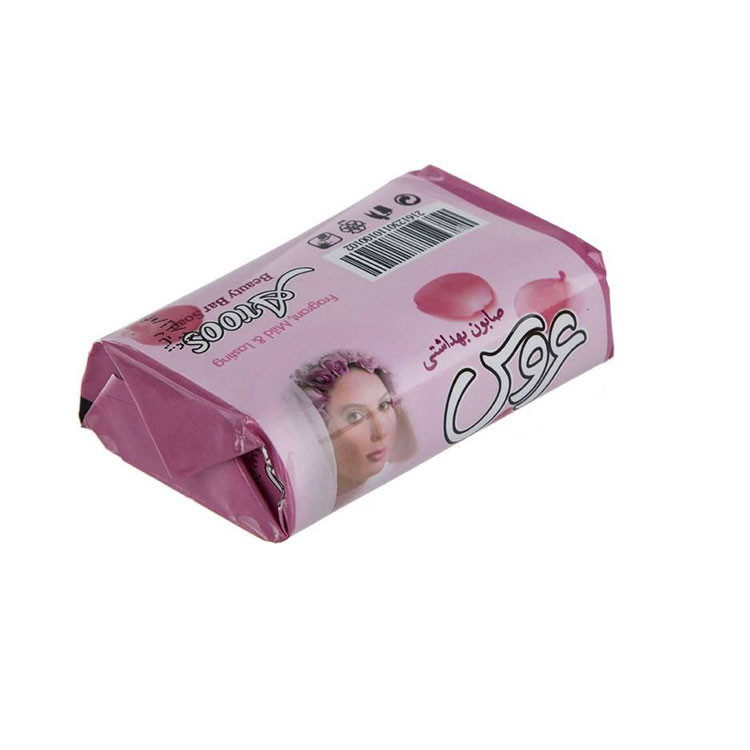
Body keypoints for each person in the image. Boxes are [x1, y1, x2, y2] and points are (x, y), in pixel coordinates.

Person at [291, 350, 416, 506]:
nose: (381, 432)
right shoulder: (304, 503)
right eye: (355, 416)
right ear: (317, 429)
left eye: (383, 405)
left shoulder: (405, 475)